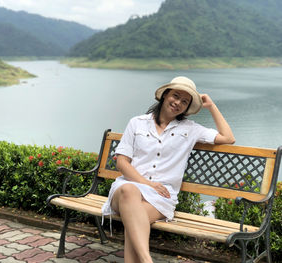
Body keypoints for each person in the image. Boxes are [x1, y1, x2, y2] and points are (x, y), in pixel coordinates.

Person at [101, 76, 235, 263]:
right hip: (127, 190)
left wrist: (211, 106)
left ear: (187, 108)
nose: (178, 103)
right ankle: (148, 260)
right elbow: (122, 163)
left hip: (161, 197)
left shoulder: (191, 129)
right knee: (128, 191)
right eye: (175, 96)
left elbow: (228, 138)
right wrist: (148, 184)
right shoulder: (137, 123)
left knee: (134, 223)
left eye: (185, 101)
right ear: (165, 95)